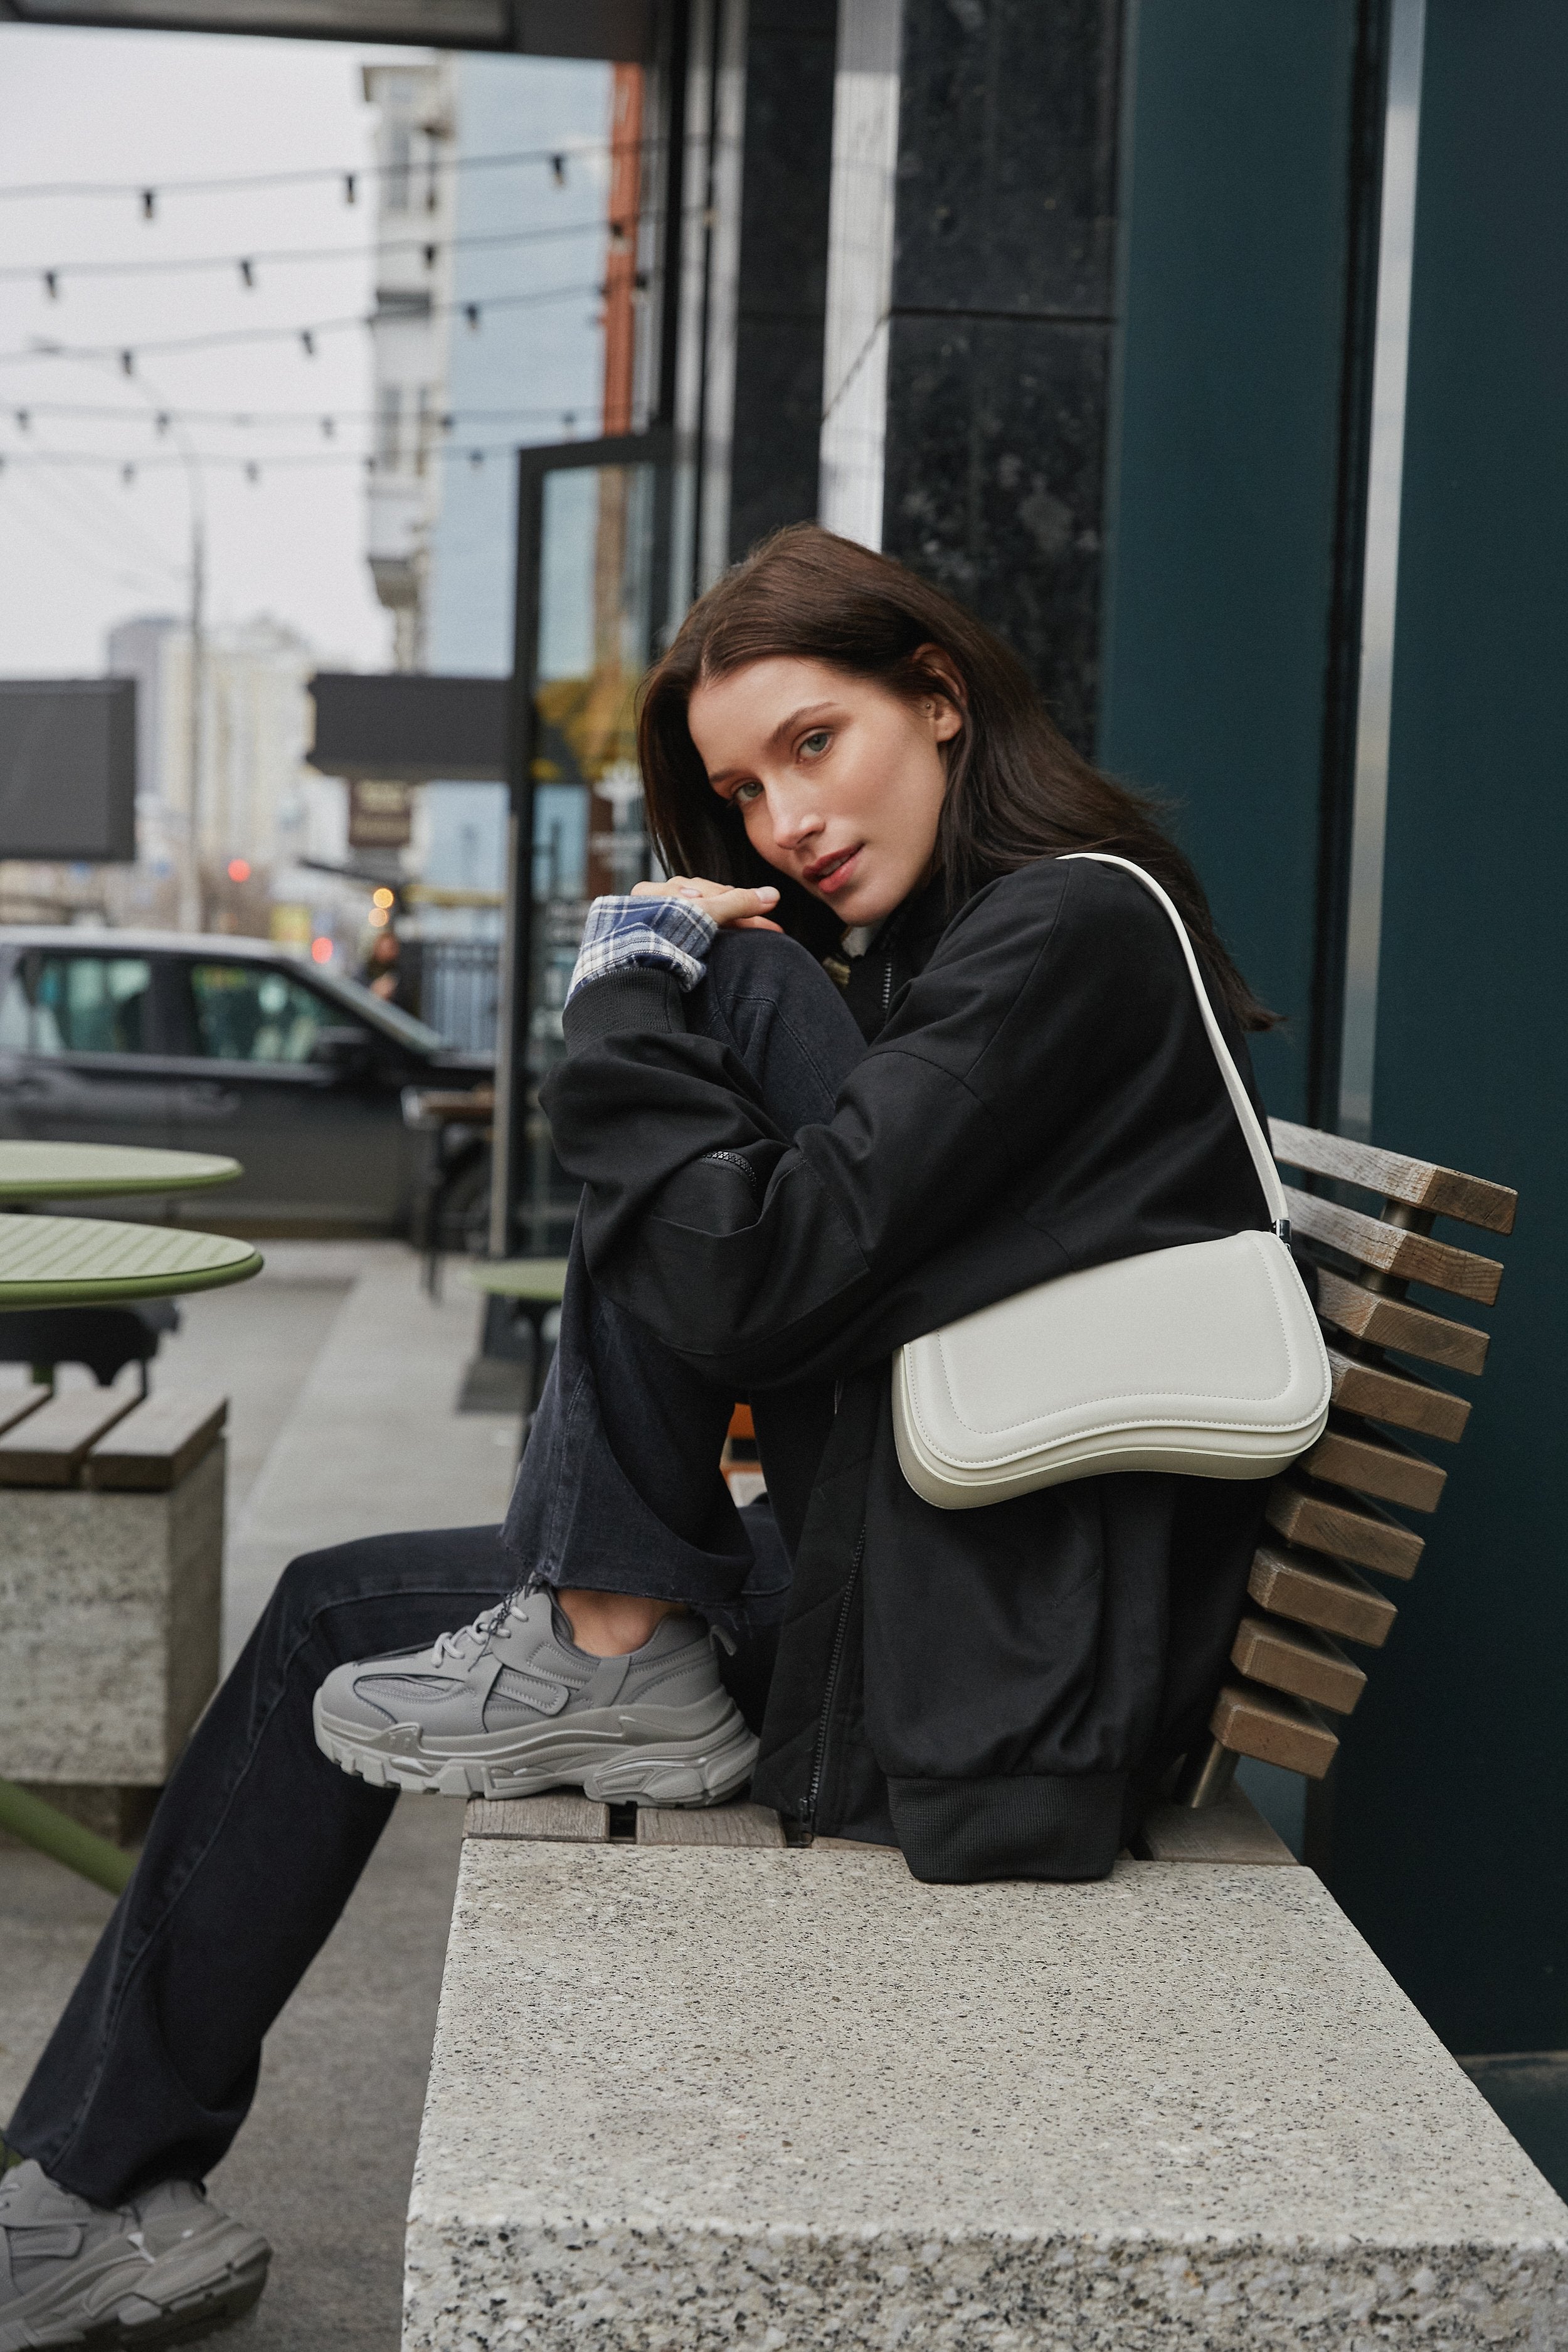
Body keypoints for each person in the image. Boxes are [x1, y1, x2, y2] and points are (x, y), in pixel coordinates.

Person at [0, 526, 1280, 2344]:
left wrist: (624, 990)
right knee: (326, 1608)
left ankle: (605, 1632)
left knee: (703, 995)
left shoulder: (1065, 931)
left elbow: (749, 1277)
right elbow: (799, 1281)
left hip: (1002, 1674)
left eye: (812, 745)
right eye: (745, 787)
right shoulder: (945, 964)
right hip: (949, 1592)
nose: (782, 821)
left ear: (938, 698)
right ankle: (84, 2186)